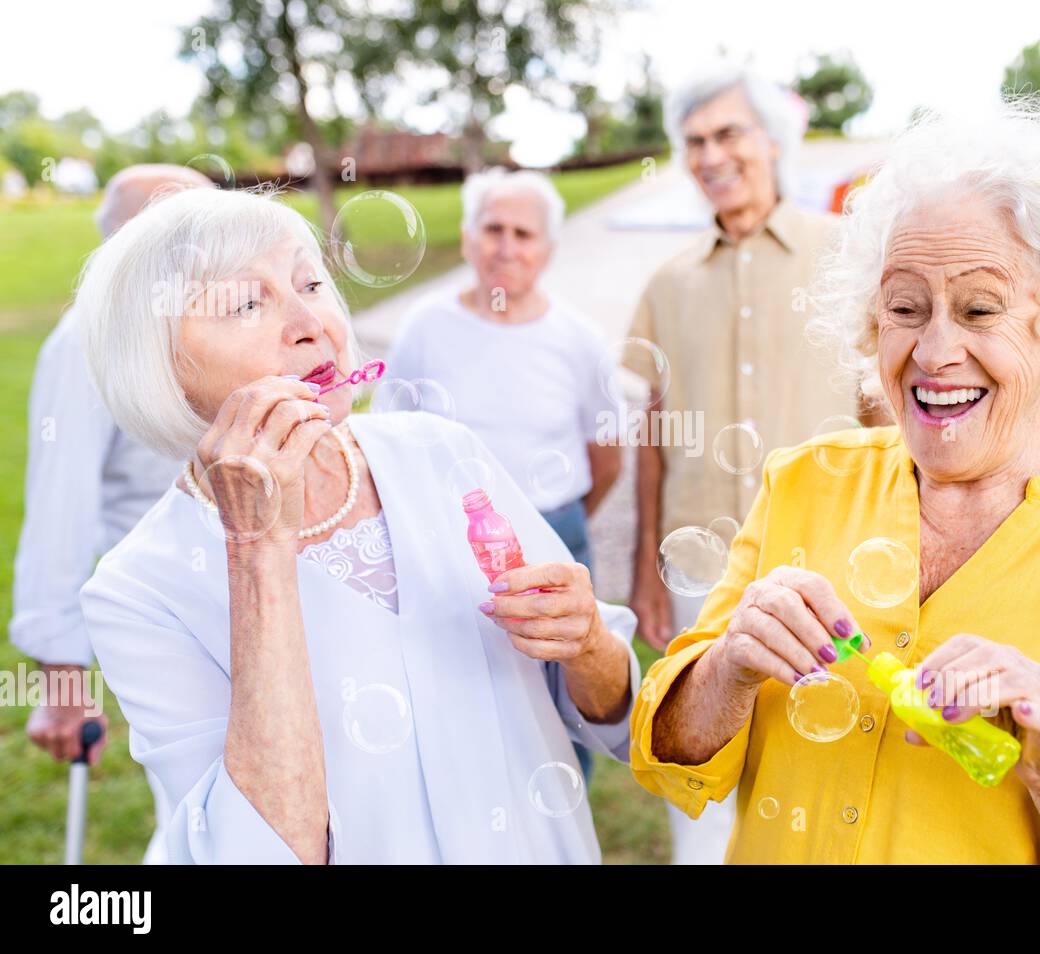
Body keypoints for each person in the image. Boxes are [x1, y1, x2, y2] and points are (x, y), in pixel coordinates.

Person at [629, 100, 1040, 864]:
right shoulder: (803, 484)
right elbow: (671, 754)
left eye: (979, 309)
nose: (933, 351)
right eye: (905, 307)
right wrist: (727, 666)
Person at [74, 186, 638, 863]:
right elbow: (260, 853)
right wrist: (257, 547)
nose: (310, 321)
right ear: (161, 366)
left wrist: (589, 645)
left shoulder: (443, 452)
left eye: (310, 283)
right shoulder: (139, 589)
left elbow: (616, 719)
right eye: (247, 303)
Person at [622, 67, 870, 864]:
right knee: (699, 756)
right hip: (703, 565)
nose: (711, 154)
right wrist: (643, 571)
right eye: (695, 142)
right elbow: (654, 434)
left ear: (773, 141)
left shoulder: (846, 256)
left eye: (729, 133)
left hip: (834, 560)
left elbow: (883, 406)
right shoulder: (667, 282)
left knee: (828, 765)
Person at [386, 169, 623, 786]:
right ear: (468, 239)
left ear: (547, 249)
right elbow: (390, 439)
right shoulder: (424, 327)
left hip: (554, 532)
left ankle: (565, 803)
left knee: (563, 694)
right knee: (463, 691)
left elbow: (607, 456)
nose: (507, 245)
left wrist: (555, 524)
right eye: (493, 228)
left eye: (524, 232)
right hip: (443, 545)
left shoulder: (578, 339)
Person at [11, 163, 213, 864]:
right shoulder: (87, 343)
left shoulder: (225, 325)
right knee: (207, 815)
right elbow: (59, 515)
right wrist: (65, 682)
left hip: (261, 592)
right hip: (174, 619)